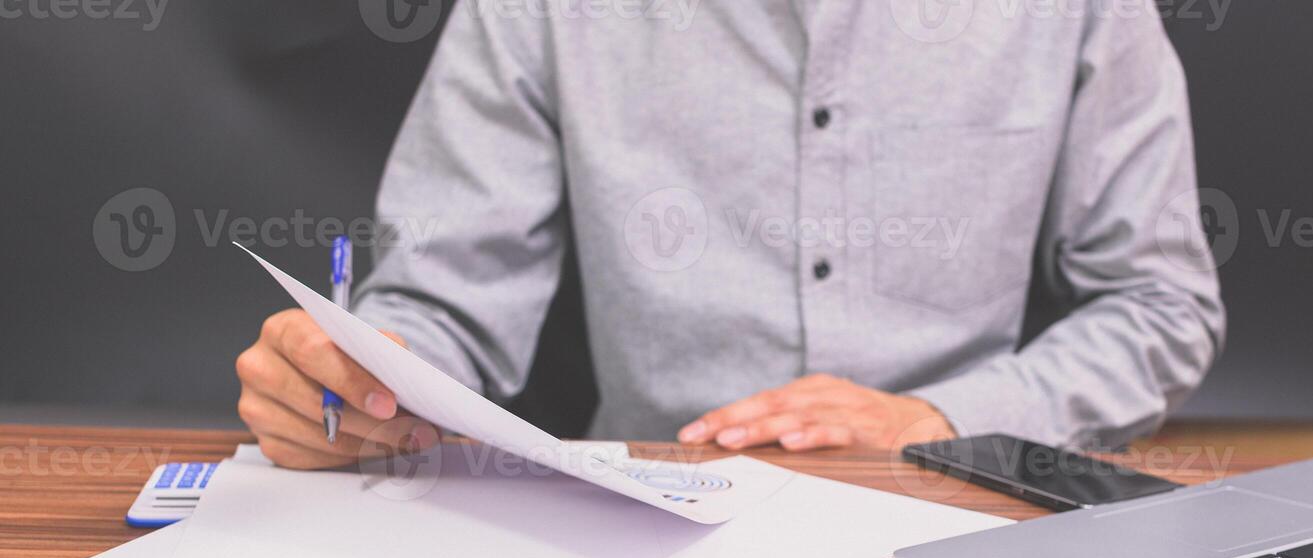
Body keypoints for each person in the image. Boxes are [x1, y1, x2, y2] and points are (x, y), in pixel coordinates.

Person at [236, 1, 1224, 469]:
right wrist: (366, 378)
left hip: (966, 517)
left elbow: (1160, 305)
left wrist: (937, 418)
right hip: (634, 536)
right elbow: (442, 302)